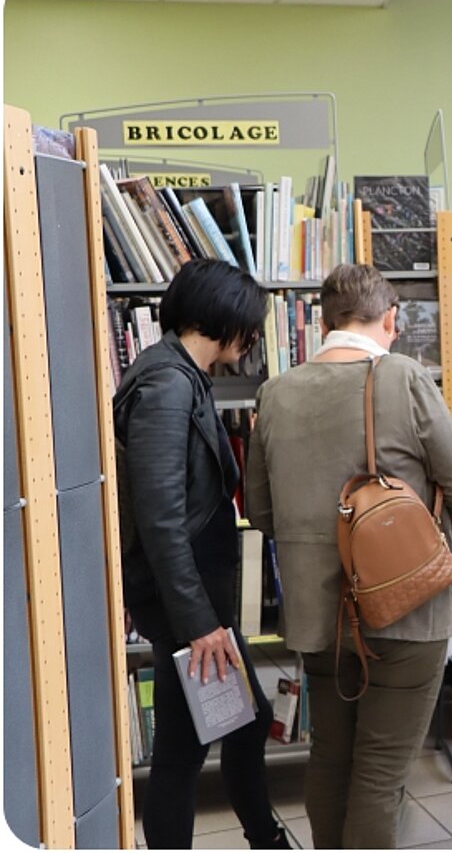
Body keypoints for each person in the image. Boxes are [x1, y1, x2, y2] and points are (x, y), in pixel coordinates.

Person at [245, 264, 452, 848]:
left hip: (319, 613)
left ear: (323, 323)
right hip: (406, 604)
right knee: (381, 772)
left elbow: (259, 511)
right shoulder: (401, 377)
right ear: (390, 319)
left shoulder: (275, 392)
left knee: (331, 757)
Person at [113, 259, 288, 849]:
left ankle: (266, 836)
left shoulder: (181, 375)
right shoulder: (166, 386)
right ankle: (264, 838)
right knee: (185, 751)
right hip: (187, 606)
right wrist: (199, 625)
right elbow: (162, 520)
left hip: (195, 601)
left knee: (243, 722)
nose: (255, 339)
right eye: (252, 326)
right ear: (226, 319)